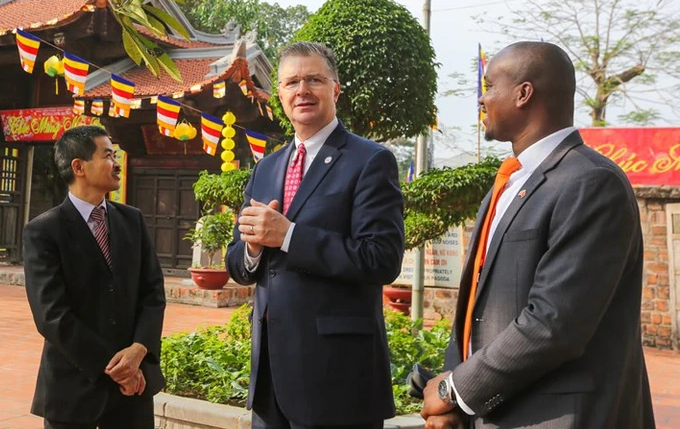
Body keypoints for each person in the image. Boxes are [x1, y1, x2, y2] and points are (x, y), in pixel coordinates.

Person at [420, 41, 655, 429]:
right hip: (498, 412)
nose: (481, 98)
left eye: (490, 86)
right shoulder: (508, 183)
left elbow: (554, 323)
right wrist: (457, 404)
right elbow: (476, 311)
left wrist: (456, 390)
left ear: (523, 93)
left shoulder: (591, 182)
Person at [226, 41, 405, 429]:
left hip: (337, 378)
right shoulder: (265, 168)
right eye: (291, 82)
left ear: (335, 89)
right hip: (271, 377)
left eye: (313, 80)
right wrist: (253, 249)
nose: (302, 90)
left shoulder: (370, 160)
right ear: (280, 95)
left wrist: (290, 236)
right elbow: (238, 261)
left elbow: (382, 259)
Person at [22, 125, 166, 429]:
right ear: (79, 167)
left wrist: (139, 351)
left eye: (116, 155)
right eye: (108, 155)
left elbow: (153, 294)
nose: (117, 163)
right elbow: (52, 315)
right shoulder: (44, 231)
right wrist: (117, 367)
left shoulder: (132, 221)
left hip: (134, 390)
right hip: (73, 388)